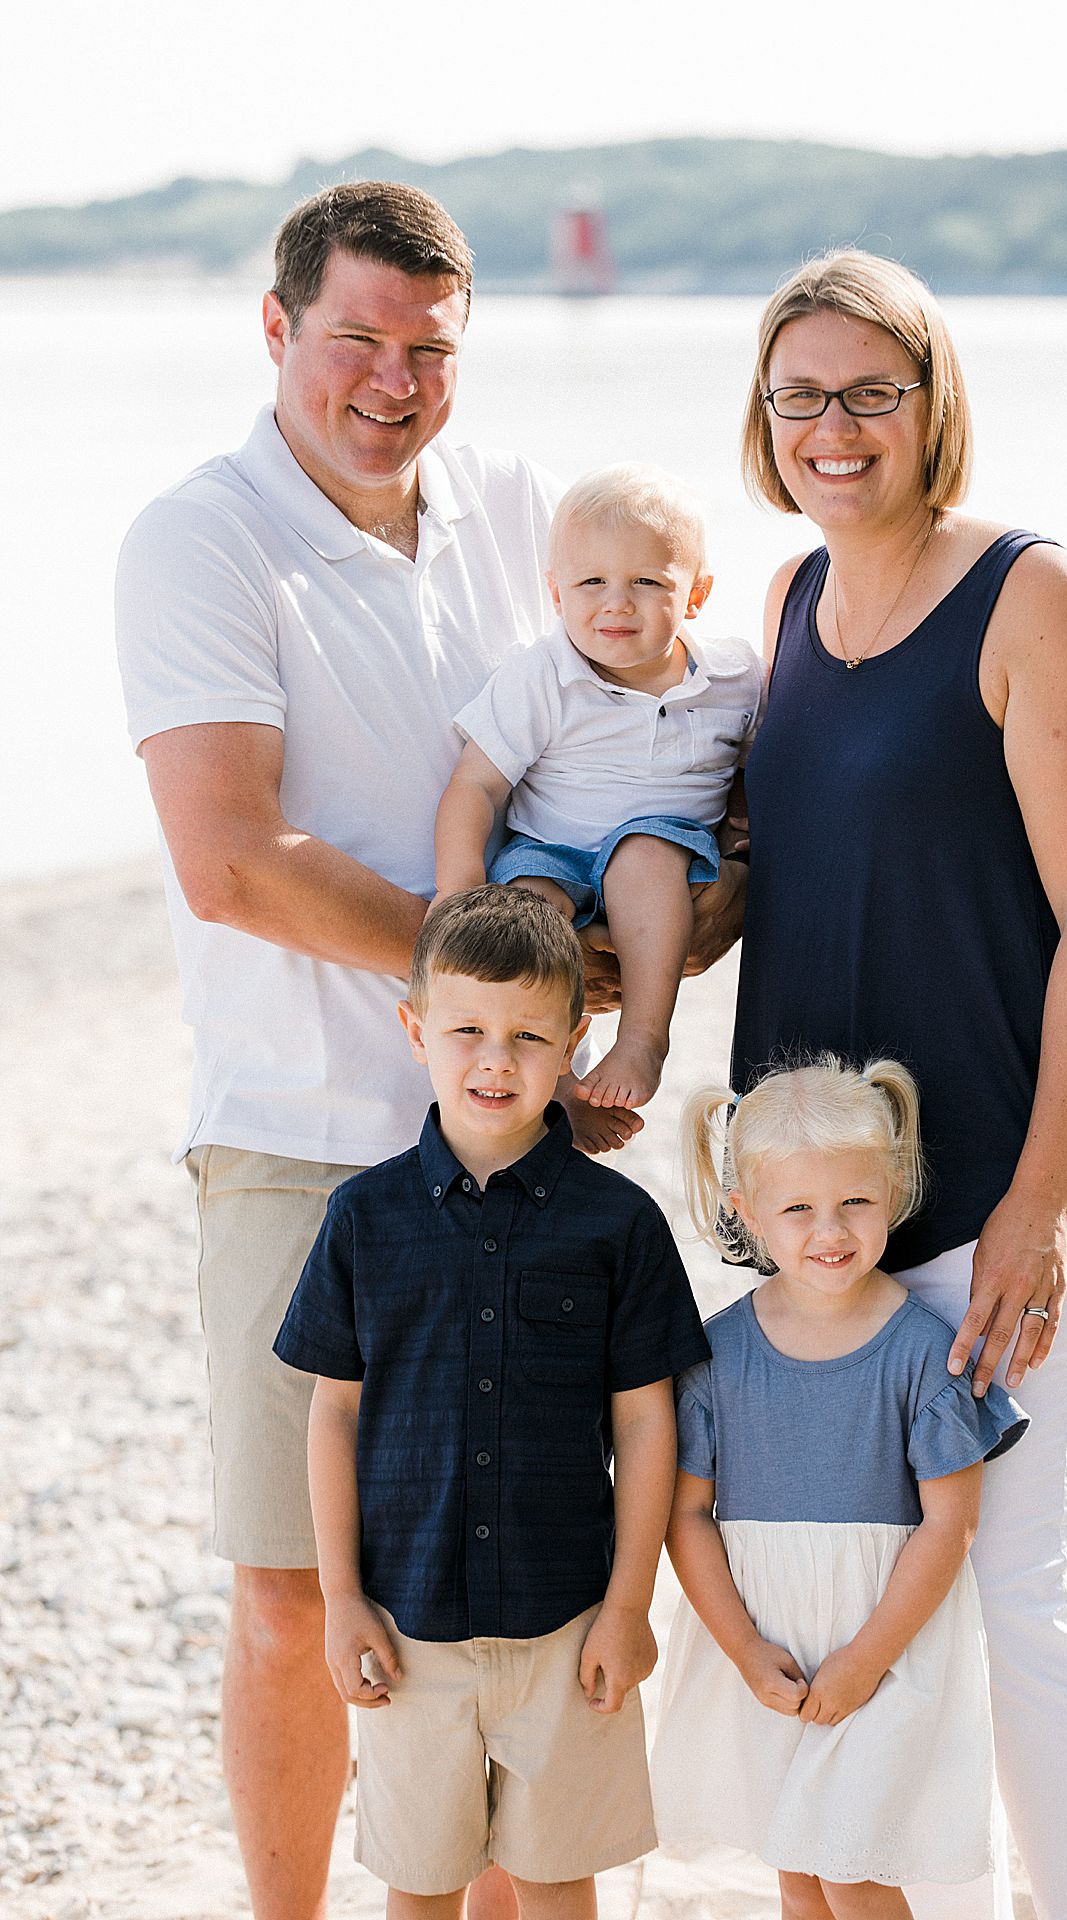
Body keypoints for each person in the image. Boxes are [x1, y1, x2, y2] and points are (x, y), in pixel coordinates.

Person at [114, 178, 741, 1920]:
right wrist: (503, 983)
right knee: (297, 1591)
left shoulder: (528, 509)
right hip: (305, 1135)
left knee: (510, 1596)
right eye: (356, 340)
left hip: (529, 1149)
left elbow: (656, 729)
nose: (391, 379)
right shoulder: (200, 536)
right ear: (277, 331)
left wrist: (685, 915)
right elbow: (229, 856)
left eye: (428, 348)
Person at [731, 250, 1067, 1919]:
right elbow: (789, 873)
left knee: (1009, 1592)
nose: (834, 427)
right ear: (764, 424)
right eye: (799, 398)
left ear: (933, 404)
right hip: (825, 1211)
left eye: (870, 392)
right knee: (841, 1598)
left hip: (1001, 1190)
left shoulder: (1026, 594)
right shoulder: (779, 604)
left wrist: (1036, 1216)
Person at [274, 886, 710, 1919]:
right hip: (406, 1624)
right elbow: (333, 1413)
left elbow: (646, 1420)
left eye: (526, 1036)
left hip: (568, 1627)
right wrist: (340, 1599)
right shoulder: (361, 1219)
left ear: (573, 1040)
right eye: (464, 1030)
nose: (493, 1060)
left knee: (559, 1881)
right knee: (420, 1886)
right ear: (414, 1029)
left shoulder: (617, 1223)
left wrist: (627, 1606)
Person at [651, 1059, 1027, 1917]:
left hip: (884, 1648)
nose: (831, 1230)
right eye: (797, 1209)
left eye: (855, 1201)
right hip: (767, 1648)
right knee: (796, 1867)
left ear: (893, 1190)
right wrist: (744, 1650)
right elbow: (686, 1516)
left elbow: (950, 1527)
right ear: (745, 1211)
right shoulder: (716, 1358)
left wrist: (865, 1661)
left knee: (852, 1871)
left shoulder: (924, 1353)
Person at [434, 464, 764, 1121]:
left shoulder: (736, 680)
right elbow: (475, 783)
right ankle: (551, 1075)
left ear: (696, 594)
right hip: (551, 853)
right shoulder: (542, 678)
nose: (617, 603)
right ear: (556, 593)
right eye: (592, 582)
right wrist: (458, 896)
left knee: (644, 853)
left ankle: (642, 1038)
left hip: (663, 860)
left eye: (647, 582)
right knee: (528, 908)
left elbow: (764, 779)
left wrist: (745, 852)